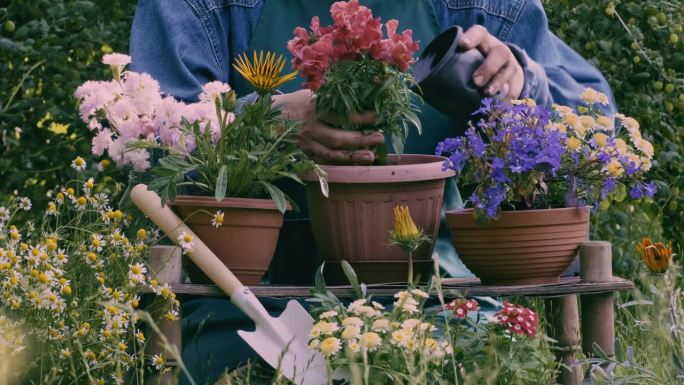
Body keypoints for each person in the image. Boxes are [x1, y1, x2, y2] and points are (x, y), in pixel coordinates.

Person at [129, 0, 614, 383]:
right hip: (245, 306)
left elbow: (601, 130)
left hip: (443, 301)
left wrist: (523, 81)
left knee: (492, 364)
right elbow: (144, 141)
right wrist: (261, 121)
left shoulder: (477, 4)